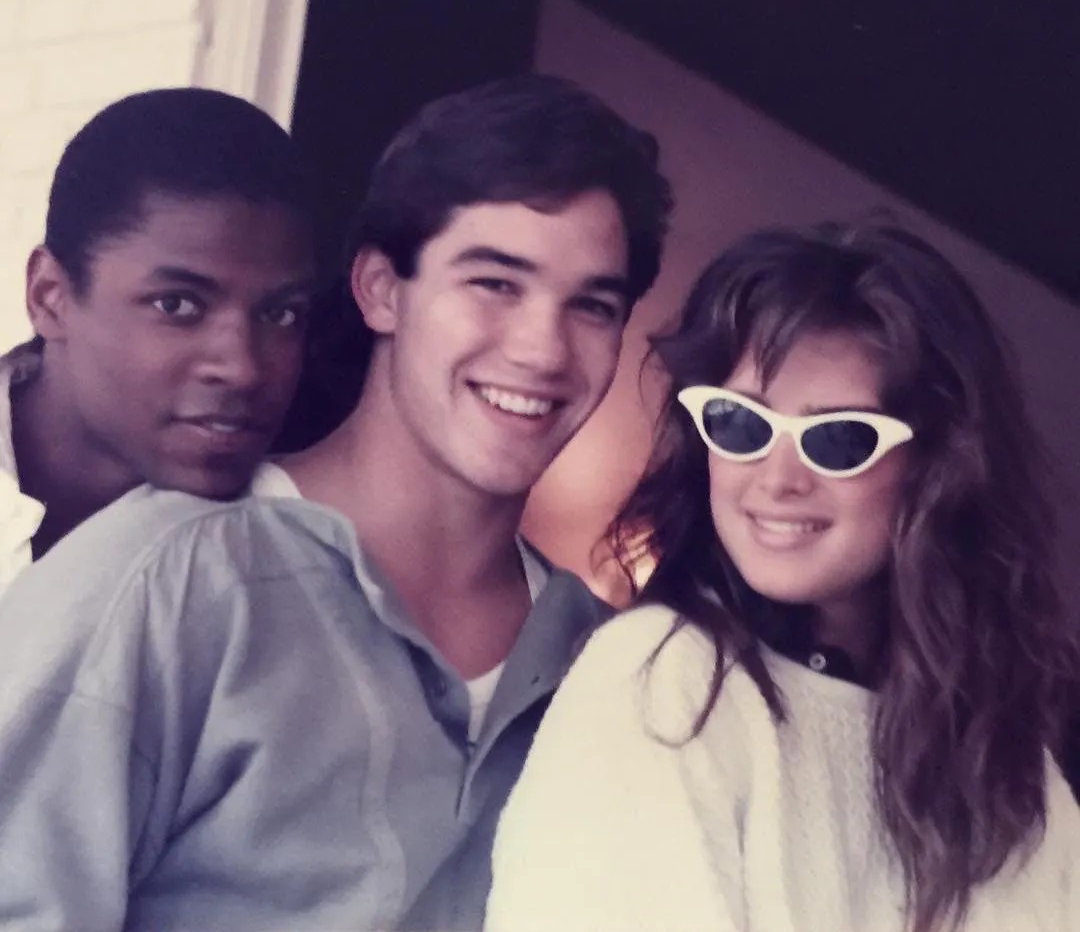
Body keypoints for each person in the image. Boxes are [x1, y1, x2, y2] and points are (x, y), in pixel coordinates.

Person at [0, 74, 673, 930]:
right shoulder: (164, 574)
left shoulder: (610, 665)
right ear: (381, 289)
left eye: (592, 306)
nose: (543, 350)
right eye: (495, 284)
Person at [486, 221, 1080, 932]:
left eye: (839, 438)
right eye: (740, 423)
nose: (777, 478)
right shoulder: (664, 680)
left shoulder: (1013, 772)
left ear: (937, 466)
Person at [0, 87, 323, 594]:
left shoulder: (300, 548)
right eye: (177, 305)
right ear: (49, 297)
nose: (242, 368)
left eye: (280, 314)